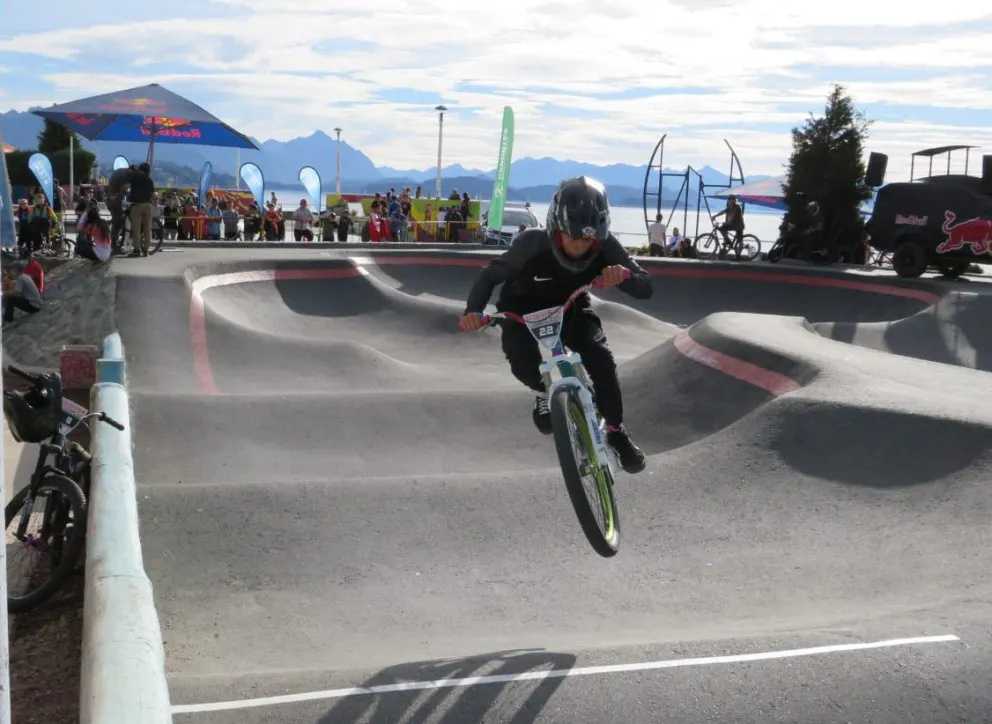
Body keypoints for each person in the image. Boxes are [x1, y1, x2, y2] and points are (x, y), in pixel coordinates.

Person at [457, 176, 653, 474]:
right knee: (522, 364)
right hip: (520, 309)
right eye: (573, 236)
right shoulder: (531, 243)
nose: (581, 246)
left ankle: (616, 432)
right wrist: (473, 311)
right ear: (555, 227)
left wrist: (624, 276)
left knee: (601, 360)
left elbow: (645, 286)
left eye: (589, 239)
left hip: (570, 306)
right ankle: (542, 392)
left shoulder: (604, 245)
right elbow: (488, 277)